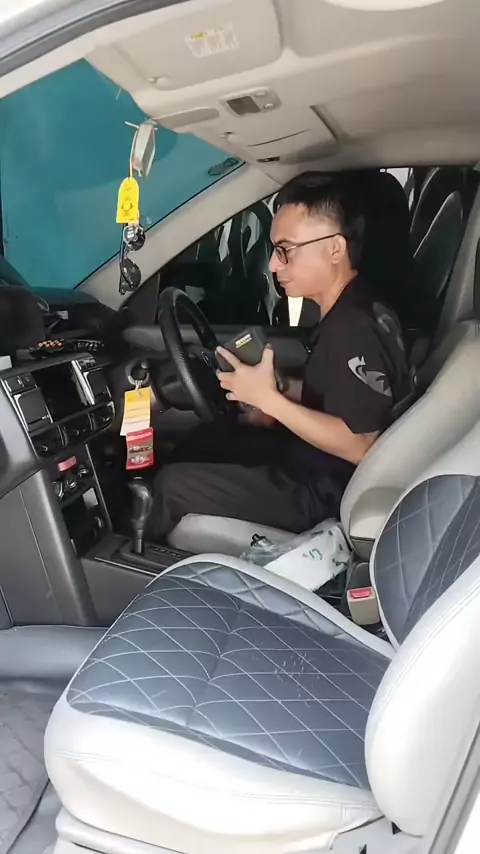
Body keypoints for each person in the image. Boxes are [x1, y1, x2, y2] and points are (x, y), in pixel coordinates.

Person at [148, 174, 412, 540]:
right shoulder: (360, 305)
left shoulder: (353, 327)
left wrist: (271, 400)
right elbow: (340, 393)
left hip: (324, 491)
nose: (273, 265)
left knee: (171, 485)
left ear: (335, 249)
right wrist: (279, 391)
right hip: (317, 465)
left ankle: (137, 563)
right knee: (205, 440)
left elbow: (361, 445)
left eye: (286, 250)